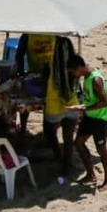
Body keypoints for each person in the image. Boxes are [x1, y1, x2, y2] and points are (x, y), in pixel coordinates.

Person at [67, 55, 107, 191]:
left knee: (101, 149)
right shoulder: (86, 78)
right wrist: (83, 111)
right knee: (79, 143)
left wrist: (83, 108)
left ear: (80, 68)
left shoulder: (96, 80)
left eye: (73, 71)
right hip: (89, 116)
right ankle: (91, 174)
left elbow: (104, 102)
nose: (74, 74)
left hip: (100, 119)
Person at [43, 36, 79, 174]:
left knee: (49, 132)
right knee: (68, 137)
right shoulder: (76, 62)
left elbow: (45, 78)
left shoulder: (52, 62)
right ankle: (66, 165)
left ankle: (58, 155)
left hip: (54, 103)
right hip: (71, 102)